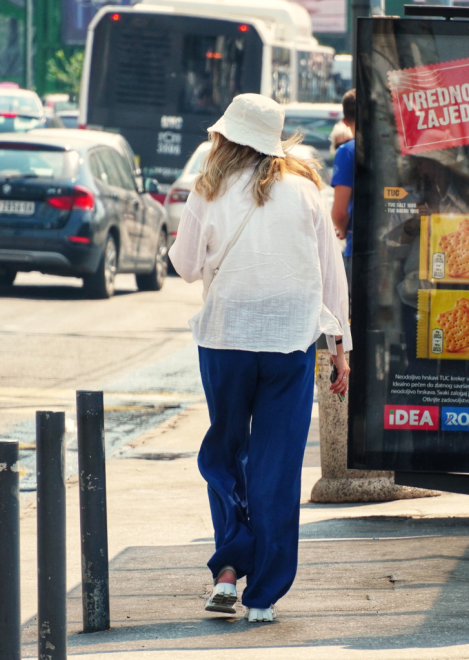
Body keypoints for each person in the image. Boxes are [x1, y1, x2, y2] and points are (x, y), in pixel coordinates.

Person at [168, 93, 352, 624]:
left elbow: (183, 267)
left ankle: (229, 568)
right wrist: (341, 349)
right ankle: (264, 596)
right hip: (291, 341)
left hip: (226, 338)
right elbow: (330, 276)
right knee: (277, 465)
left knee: (225, 454)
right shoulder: (306, 191)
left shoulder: (209, 189)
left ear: (225, 137)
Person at [330, 89, 356, 285]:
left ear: (345, 122)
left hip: (359, 248)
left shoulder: (347, 152)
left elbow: (339, 212)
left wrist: (342, 227)